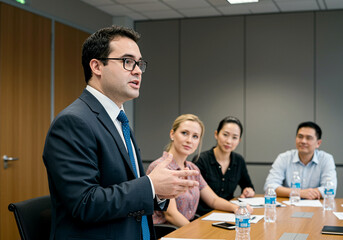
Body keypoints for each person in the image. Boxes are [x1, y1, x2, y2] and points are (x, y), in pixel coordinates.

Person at [43, 25, 200, 240]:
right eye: (127, 61)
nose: (137, 70)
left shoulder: (119, 119)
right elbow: (85, 204)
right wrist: (151, 185)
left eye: (139, 63)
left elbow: (125, 189)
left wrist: (160, 192)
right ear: (97, 66)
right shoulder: (73, 122)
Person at [146, 114, 253, 227]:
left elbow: (213, 200)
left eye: (195, 136)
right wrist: (197, 234)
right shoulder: (160, 167)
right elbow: (171, 215)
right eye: (184, 133)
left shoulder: (193, 168)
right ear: (172, 134)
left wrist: (236, 208)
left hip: (186, 229)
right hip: (167, 231)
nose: (189, 140)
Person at [193, 116, 255, 215]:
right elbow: (201, 197)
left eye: (234, 137)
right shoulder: (201, 160)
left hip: (229, 212)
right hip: (204, 215)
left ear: (239, 140)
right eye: (225, 135)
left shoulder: (239, 160)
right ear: (216, 134)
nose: (229, 141)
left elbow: (248, 186)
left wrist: (248, 191)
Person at [264, 121, 337, 199]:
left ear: (318, 143)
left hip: (316, 207)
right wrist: (299, 193)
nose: (303, 141)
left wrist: (306, 193)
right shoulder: (284, 158)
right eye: (300, 136)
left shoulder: (326, 159)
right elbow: (269, 186)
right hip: (289, 206)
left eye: (308, 138)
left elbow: (330, 189)